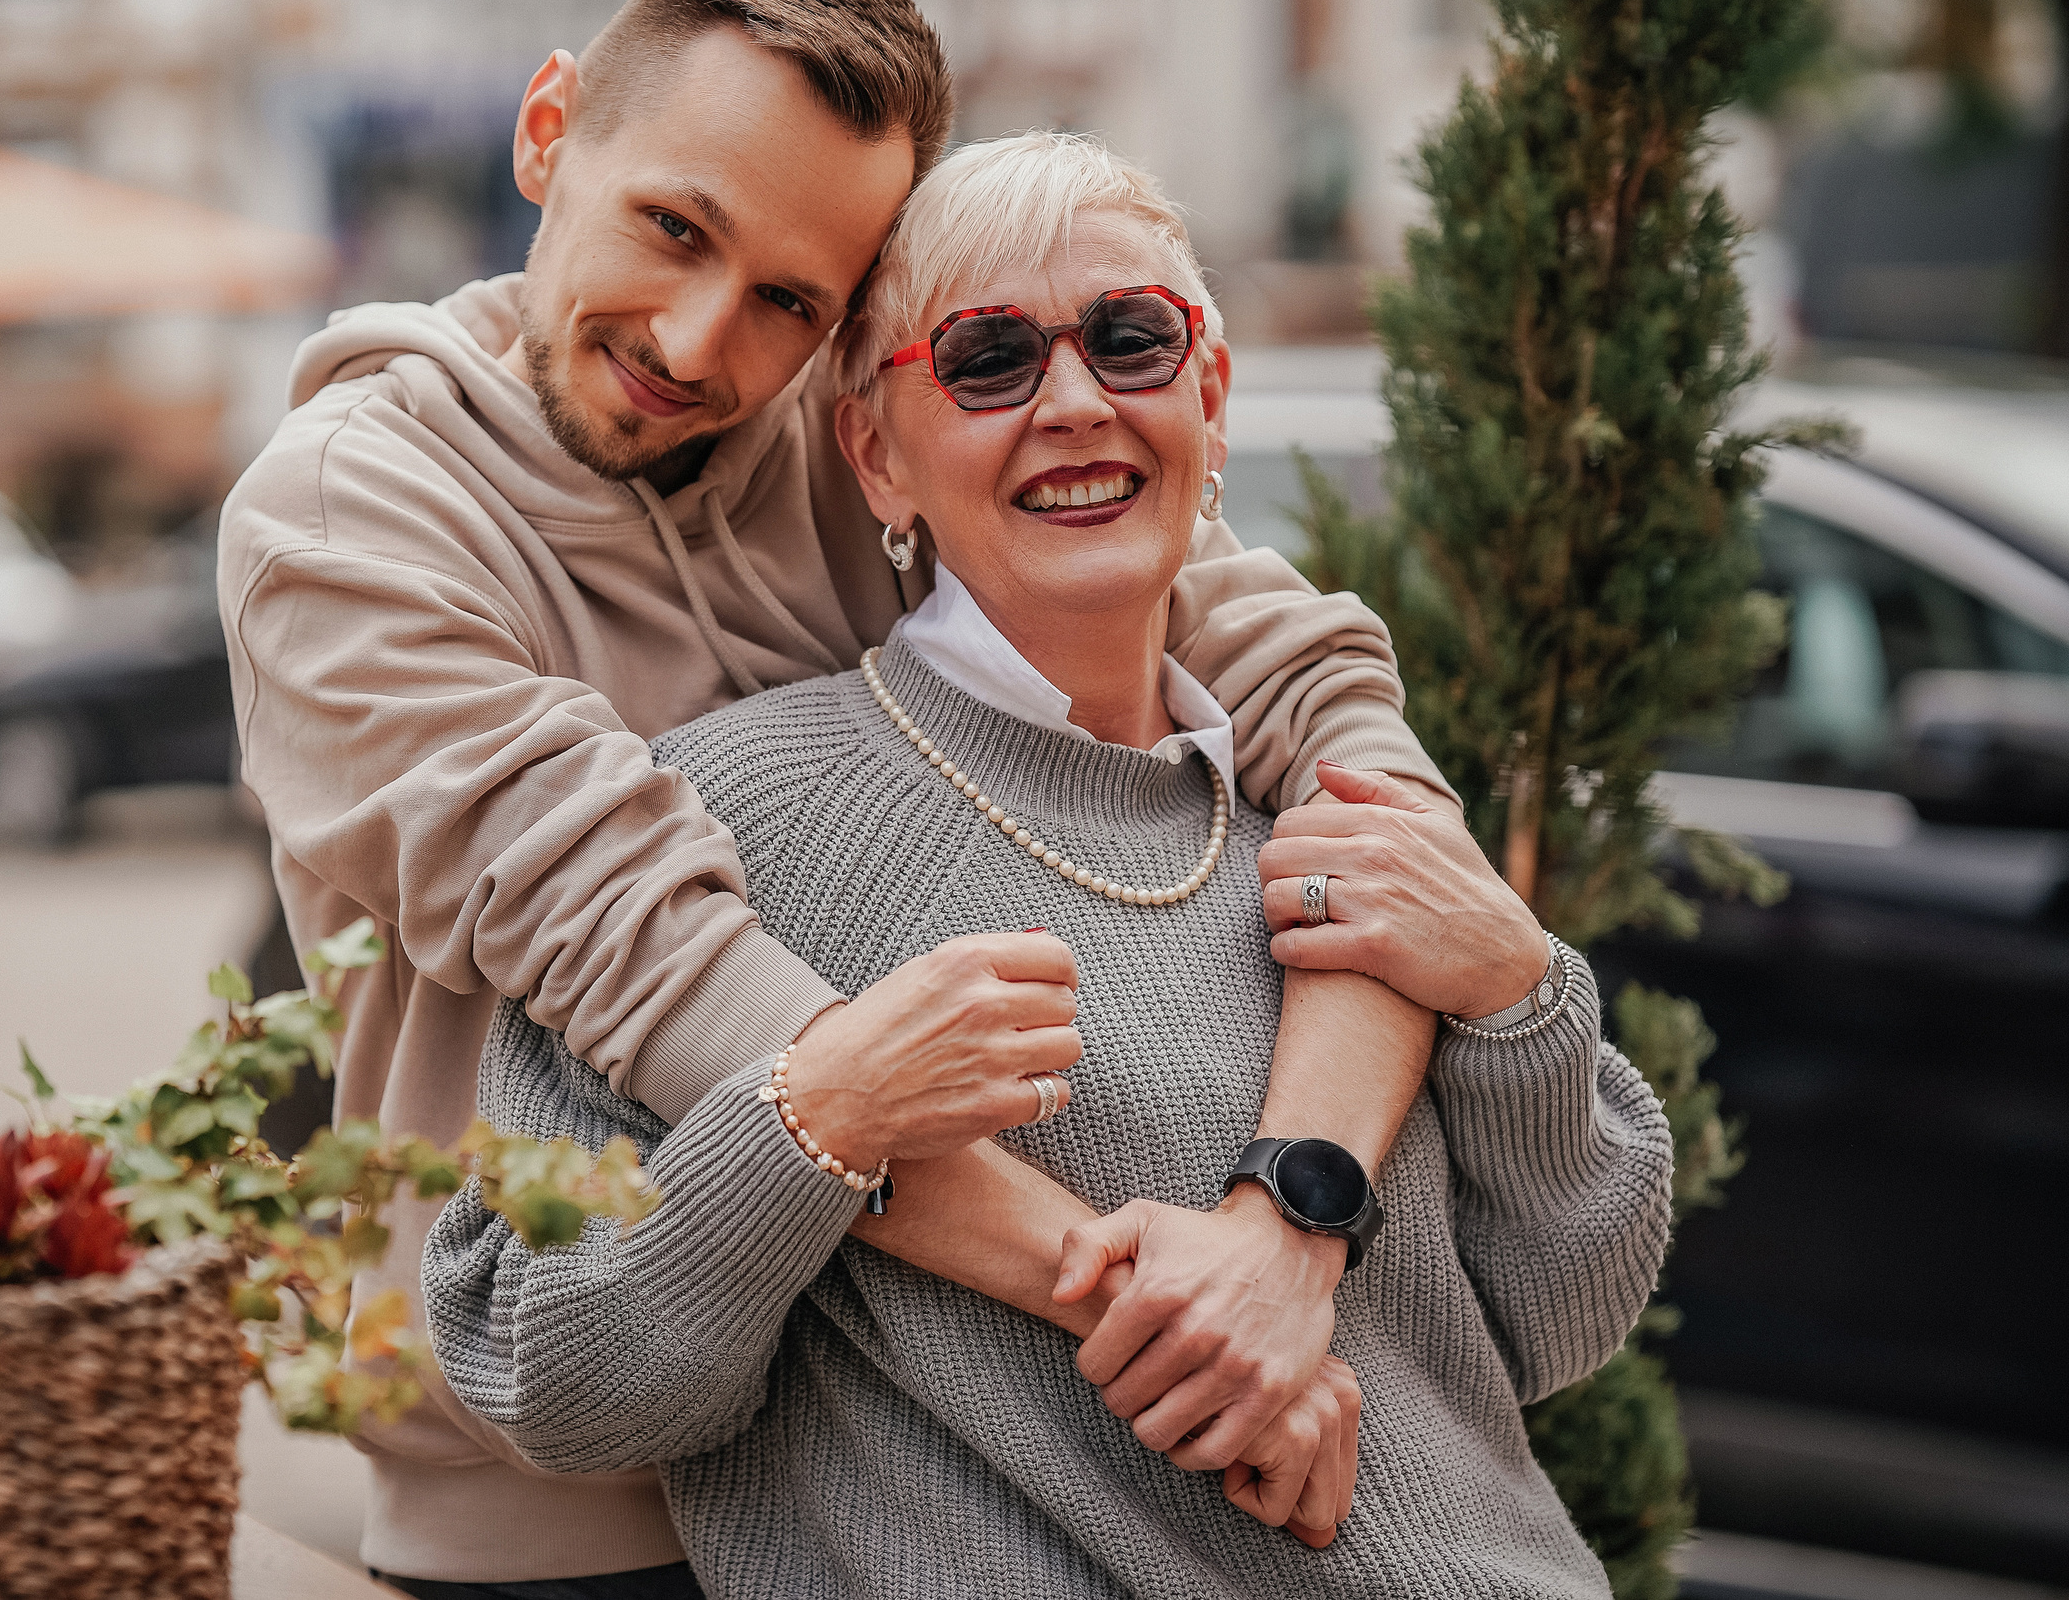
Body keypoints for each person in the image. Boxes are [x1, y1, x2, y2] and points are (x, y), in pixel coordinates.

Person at [222, 0, 1463, 1595]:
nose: (697, 341)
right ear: (547, 132)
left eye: (791, 301)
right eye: (675, 227)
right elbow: (658, 968)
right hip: (579, 1509)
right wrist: (1202, 1330)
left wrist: (1288, 1225)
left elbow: (1285, 674)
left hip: (931, 1466)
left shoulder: (849, 426)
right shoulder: (345, 519)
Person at [420, 131, 1675, 1598]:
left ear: (1209, 392)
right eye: (990, 358)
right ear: (876, 454)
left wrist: (1523, 992)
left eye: (1133, 341)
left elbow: (1555, 1325)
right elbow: (541, 1367)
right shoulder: (730, 821)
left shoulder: (1332, 817)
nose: (1076, 405)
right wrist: (816, 1121)